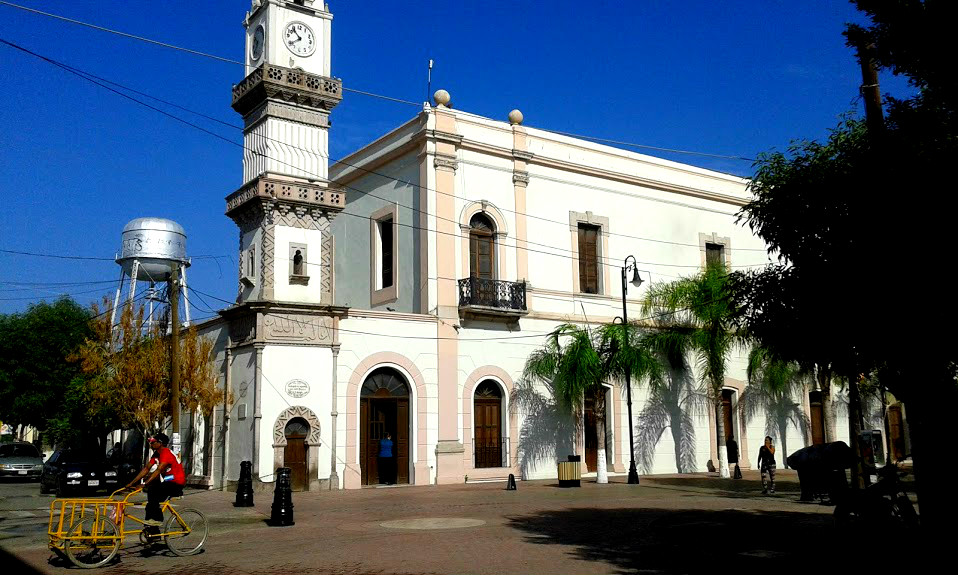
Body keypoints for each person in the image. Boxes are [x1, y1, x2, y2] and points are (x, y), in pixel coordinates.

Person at [124, 433, 185, 532]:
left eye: (153, 442)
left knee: (153, 491)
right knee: (151, 500)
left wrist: (144, 484)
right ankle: (152, 528)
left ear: (160, 443)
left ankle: (157, 519)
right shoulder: (156, 454)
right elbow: (146, 469)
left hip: (176, 482)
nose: (150, 443)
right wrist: (132, 483)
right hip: (168, 479)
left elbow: (158, 471)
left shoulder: (166, 453)